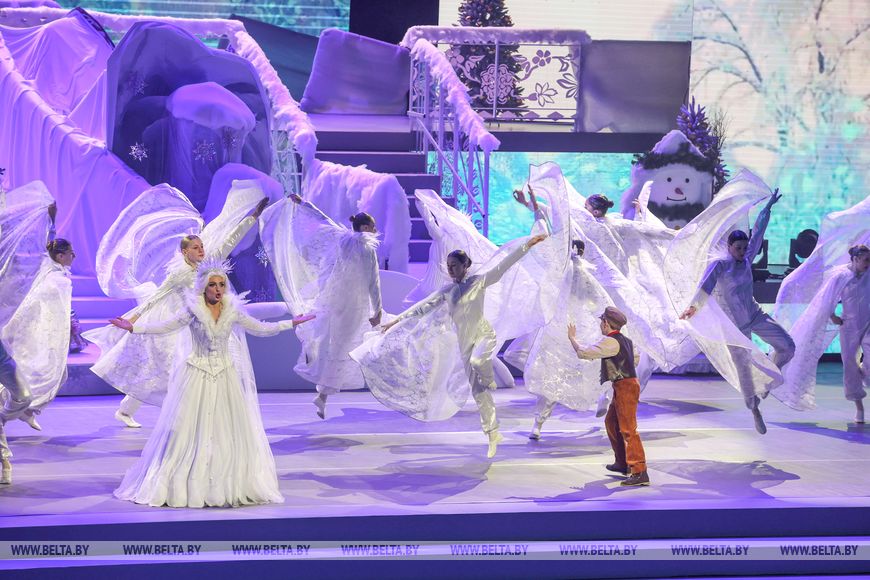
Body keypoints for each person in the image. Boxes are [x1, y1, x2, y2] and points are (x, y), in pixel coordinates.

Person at [110, 259, 313, 508]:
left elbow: (260, 328)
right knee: (187, 431)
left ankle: (224, 483)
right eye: (213, 285)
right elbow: (165, 326)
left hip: (225, 376)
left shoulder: (232, 311)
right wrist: (133, 327)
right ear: (204, 287)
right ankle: (183, 483)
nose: (218, 289)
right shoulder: (192, 310)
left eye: (221, 285)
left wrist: (290, 323)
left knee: (226, 431)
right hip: (196, 375)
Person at [87, 195, 268, 428]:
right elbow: (157, 297)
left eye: (201, 246)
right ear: (184, 252)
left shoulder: (209, 263)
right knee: (164, 370)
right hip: (180, 324)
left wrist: (252, 217)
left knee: (220, 364)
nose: (201, 250)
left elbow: (230, 240)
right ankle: (130, 411)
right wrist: (133, 318)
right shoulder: (179, 274)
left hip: (204, 323)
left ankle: (211, 414)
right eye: (195, 247)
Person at [363, 233, 549, 459]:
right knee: (479, 394)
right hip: (465, 342)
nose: (450, 269)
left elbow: (504, 265)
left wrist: (527, 245)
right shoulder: (447, 292)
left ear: (465, 266)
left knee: (479, 362)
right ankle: (493, 433)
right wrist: (394, 322)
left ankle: (488, 378)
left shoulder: (478, 282)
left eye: (455, 265)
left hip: (483, 336)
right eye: (448, 266)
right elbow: (420, 308)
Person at [681, 190, 795, 434]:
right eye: (739, 248)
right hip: (734, 326)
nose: (743, 252)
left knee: (788, 346)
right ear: (730, 247)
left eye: (744, 248)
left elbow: (758, 233)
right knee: (744, 369)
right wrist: (693, 307)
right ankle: (754, 410)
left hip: (755, 314)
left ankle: (767, 383)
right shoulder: (721, 264)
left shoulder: (747, 258)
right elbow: (705, 287)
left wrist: (767, 209)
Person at [270, 195, 383, 420]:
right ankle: (322, 394)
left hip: (333, 297)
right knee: (342, 347)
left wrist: (303, 204)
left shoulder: (341, 238)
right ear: (365, 228)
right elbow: (374, 281)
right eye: (372, 226)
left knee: (326, 333)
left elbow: (322, 219)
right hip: (353, 304)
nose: (375, 230)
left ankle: (321, 387)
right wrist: (377, 309)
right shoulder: (367, 249)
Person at [0, 182, 59, 484]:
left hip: (1, 351)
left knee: (23, 396)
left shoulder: (8, 266)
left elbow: (22, 226)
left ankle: (4, 418)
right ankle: (5, 460)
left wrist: (48, 217)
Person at [776, 245, 869, 422]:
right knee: (849, 365)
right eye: (866, 260)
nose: (868, 263)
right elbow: (827, 299)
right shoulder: (842, 276)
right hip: (849, 326)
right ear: (856, 259)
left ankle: (863, 372)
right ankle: (859, 407)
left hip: (868, 324)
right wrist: (832, 316)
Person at [569, 306, 648, 486]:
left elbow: (584, 353)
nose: (600, 325)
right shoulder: (626, 341)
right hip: (625, 385)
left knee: (628, 429)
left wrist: (572, 338)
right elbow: (635, 359)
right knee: (611, 422)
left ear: (606, 323)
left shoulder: (611, 341)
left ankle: (639, 471)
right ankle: (623, 462)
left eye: (601, 322)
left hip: (626, 386)